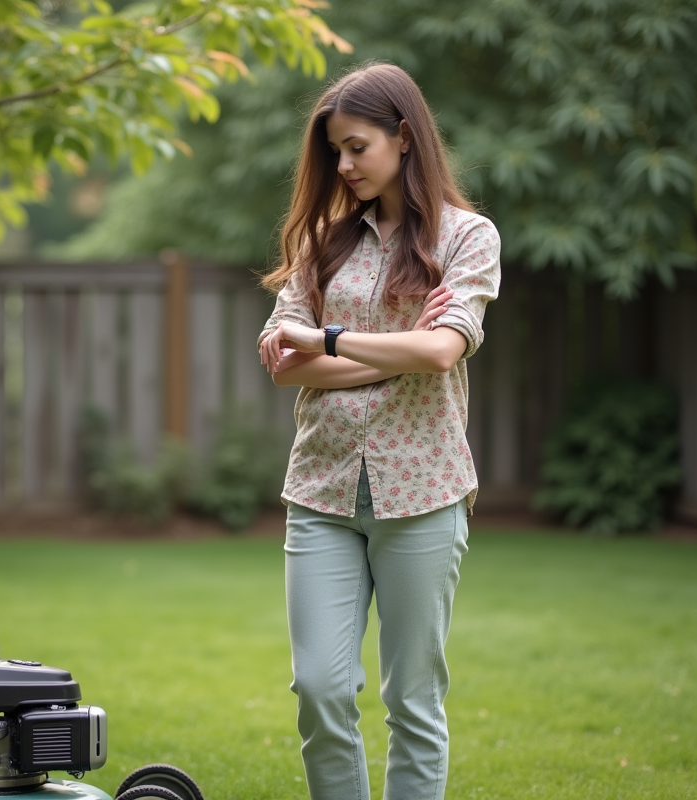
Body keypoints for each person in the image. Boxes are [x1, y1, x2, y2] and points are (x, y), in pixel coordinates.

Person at [257, 62, 501, 800]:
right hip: (322, 491)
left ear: (403, 137)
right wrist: (390, 356)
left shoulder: (469, 237)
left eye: (356, 147)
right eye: (335, 151)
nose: (343, 165)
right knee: (322, 689)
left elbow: (442, 349)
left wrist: (328, 340)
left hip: (423, 493)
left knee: (412, 702)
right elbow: (281, 363)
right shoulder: (322, 243)